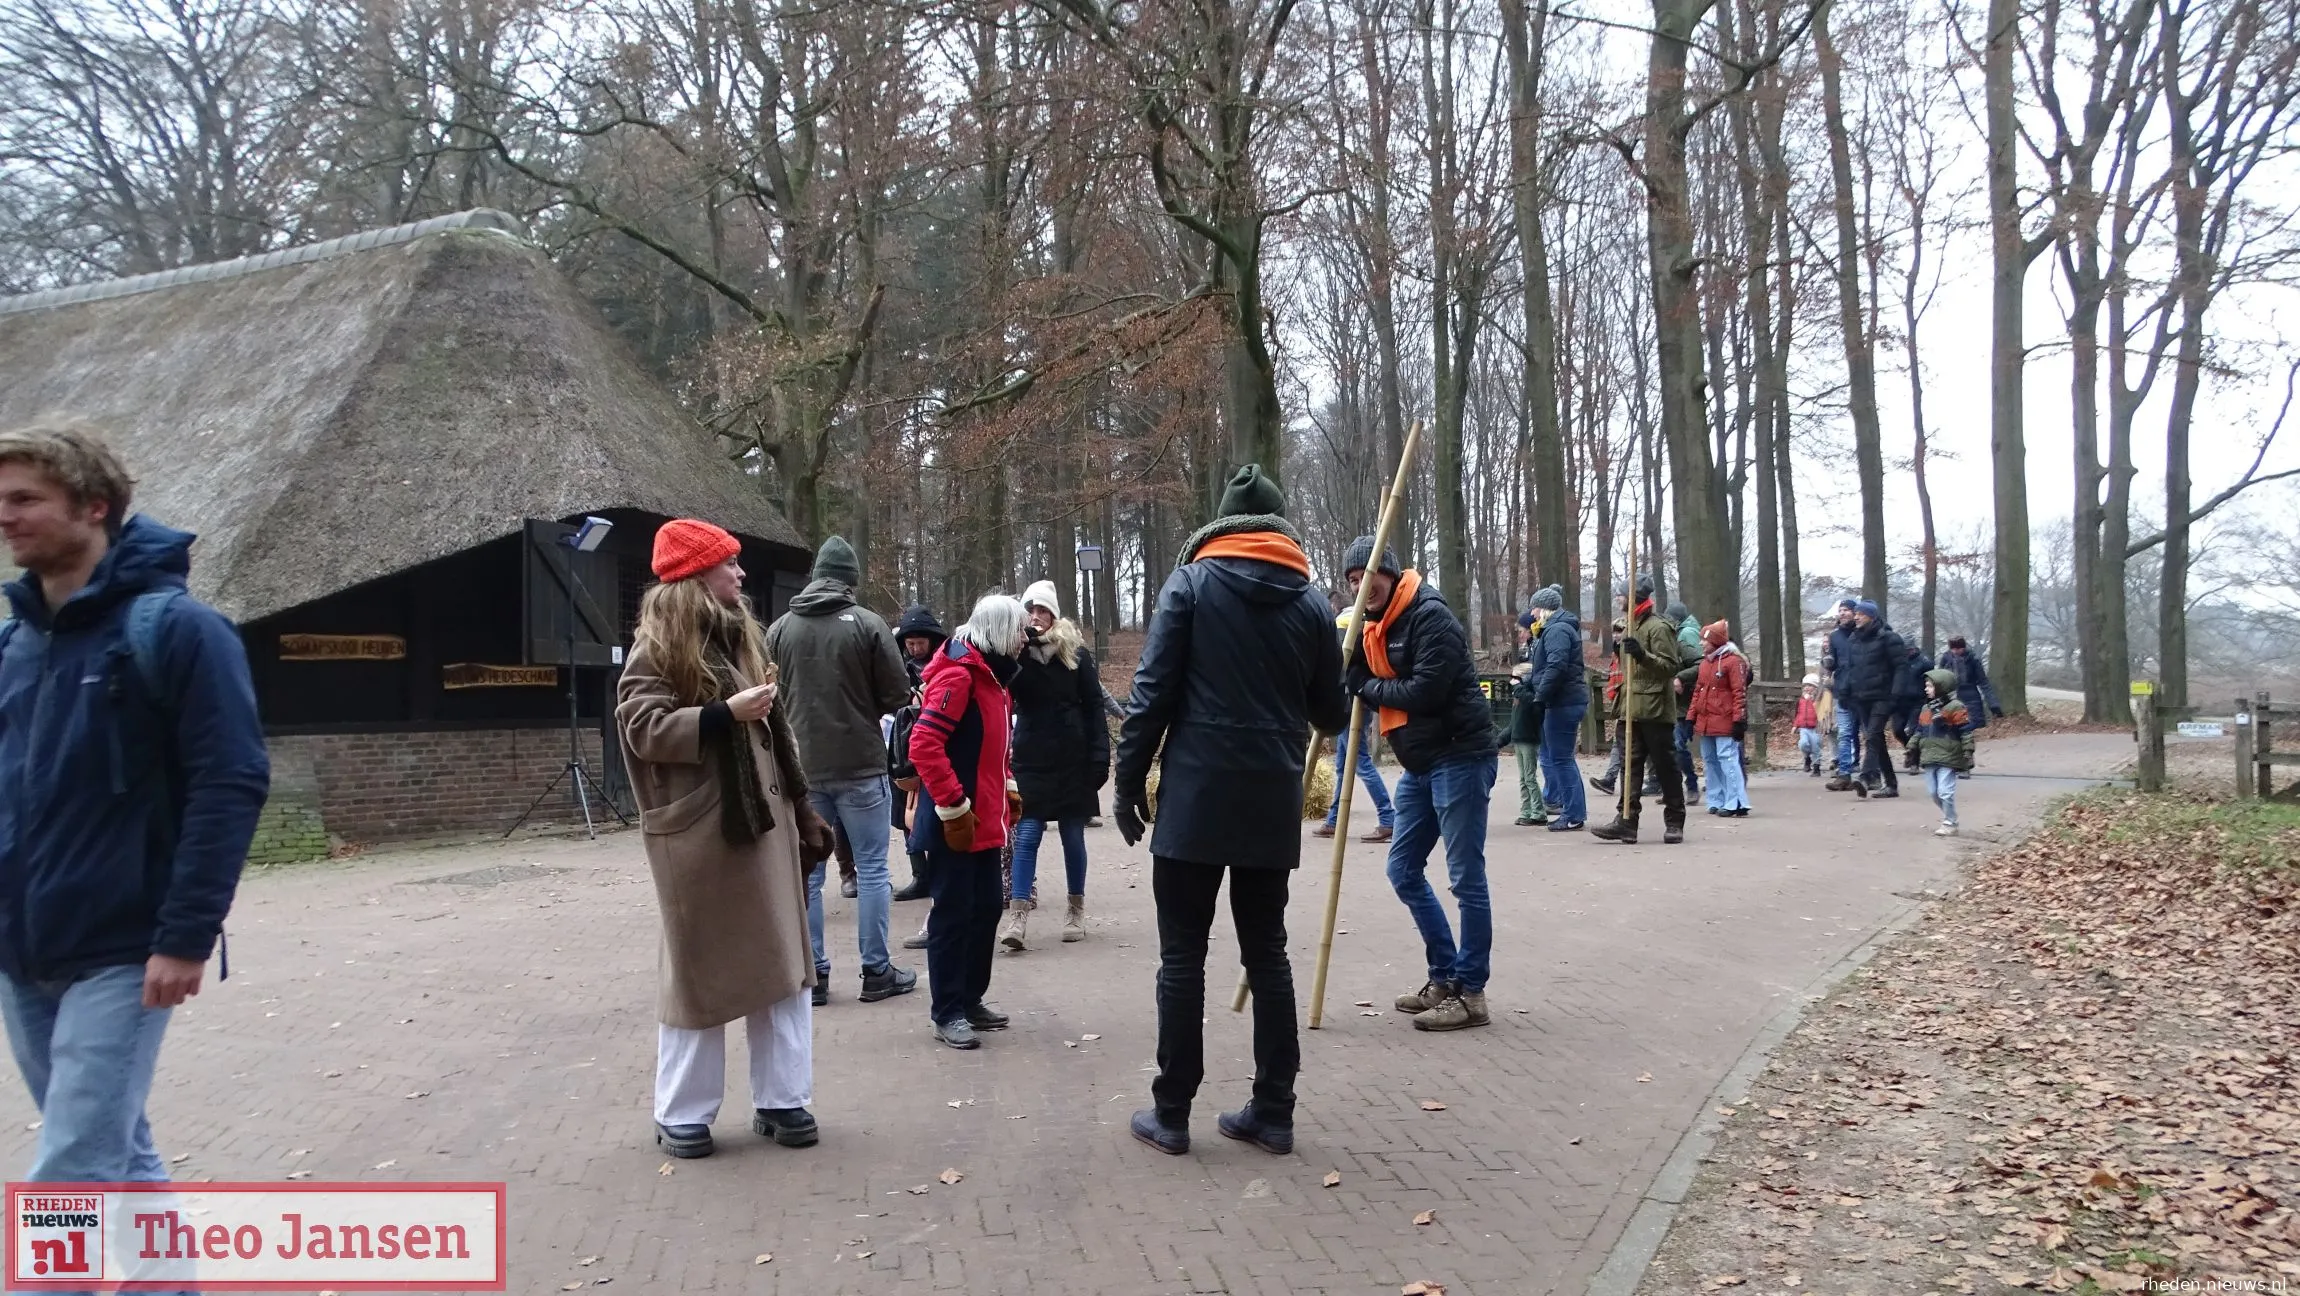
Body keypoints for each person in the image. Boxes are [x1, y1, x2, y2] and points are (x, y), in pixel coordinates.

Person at [0, 420, 270, 1224]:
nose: (5, 516)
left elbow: (230, 783)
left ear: (94, 506)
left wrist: (187, 934)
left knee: (75, 1165)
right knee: (112, 1143)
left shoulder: (181, 632)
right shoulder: (13, 645)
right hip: (24, 946)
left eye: (25, 499)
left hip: (124, 947)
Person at [1115, 465, 1347, 1156]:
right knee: (1267, 954)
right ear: (1277, 528)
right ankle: (1275, 1110)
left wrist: (1127, 782)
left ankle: (1173, 1112)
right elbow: (1331, 711)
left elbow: (1151, 694)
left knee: (1182, 957)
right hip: (1269, 798)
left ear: (1222, 522)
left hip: (1193, 798)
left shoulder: (1190, 584)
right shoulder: (1310, 603)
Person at [617, 519, 834, 1158]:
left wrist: (802, 806)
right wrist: (721, 715)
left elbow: (780, 733)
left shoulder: (744, 638)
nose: (741, 575)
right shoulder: (655, 649)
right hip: (702, 839)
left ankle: (784, 1101)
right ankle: (682, 1113)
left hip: (764, 834)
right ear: (694, 576)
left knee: (785, 972)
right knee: (699, 976)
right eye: (729, 564)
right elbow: (641, 727)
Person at [1342, 538, 1501, 1033]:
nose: (1360, 586)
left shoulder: (1430, 616)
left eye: (1367, 576)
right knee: (1403, 870)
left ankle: (1471, 992)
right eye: (1351, 580)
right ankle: (1444, 975)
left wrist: (1363, 685)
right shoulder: (1370, 629)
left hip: (1460, 755)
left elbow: (1423, 692)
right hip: (1419, 763)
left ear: (1389, 574)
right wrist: (1345, 674)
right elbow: (1360, 682)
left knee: (1464, 876)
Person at [765, 536, 918, 1005]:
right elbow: (897, 695)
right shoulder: (868, 625)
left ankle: (815, 977)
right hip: (861, 763)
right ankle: (876, 972)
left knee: (810, 873)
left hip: (801, 771)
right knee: (872, 869)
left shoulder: (778, 629)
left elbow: (764, 696)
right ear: (850, 581)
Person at [906, 593, 1027, 1050]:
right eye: (1017, 630)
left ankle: (970, 998)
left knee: (986, 911)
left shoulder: (995, 680)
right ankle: (947, 1010)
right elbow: (925, 746)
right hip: (956, 823)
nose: (1023, 639)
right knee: (954, 916)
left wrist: (1008, 786)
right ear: (997, 630)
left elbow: (995, 749)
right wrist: (954, 805)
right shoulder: (959, 678)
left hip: (986, 822)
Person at [1002, 581, 1110, 950]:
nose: (1036, 617)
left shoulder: (1075, 652)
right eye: (1030, 610)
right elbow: (1000, 684)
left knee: (1072, 835)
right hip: (1032, 755)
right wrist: (1018, 646)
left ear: (1054, 615)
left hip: (1071, 755)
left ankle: (1075, 908)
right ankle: (1017, 916)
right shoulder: (1016, 654)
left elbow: (1094, 705)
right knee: (1028, 834)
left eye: (1043, 611)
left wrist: (1100, 757)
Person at [1590, 576, 1686, 845]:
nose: (1617, 598)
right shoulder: (1628, 625)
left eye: (1621, 594)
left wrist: (1642, 654)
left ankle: (1675, 821)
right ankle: (1626, 822)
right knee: (1628, 768)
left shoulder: (1658, 628)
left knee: (1665, 768)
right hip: (1629, 708)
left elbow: (1669, 667)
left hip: (1655, 711)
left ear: (1634, 596)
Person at [1316, 605, 1398, 841]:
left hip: (1353, 701)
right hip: (1357, 699)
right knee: (1343, 765)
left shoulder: (1347, 621)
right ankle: (1333, 820)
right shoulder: (1356, 618)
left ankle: (1387, 818)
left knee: (1360, 762)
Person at [892, 604, 948, 935]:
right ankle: (919, 874)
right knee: (905, 810)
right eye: (909, 643)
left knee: (932, 811)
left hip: (932, 744)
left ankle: (937, 873)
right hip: (903, 746)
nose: (915, 648)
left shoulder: (944, 664)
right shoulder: (900, 668)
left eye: (919, 642)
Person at [1525, 585, 1589, 832]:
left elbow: (1556, 665)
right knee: (1561, 758)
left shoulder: (1557, 630)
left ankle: (1573, 813)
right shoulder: (1557, 628)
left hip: (1563, 701)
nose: (1532, 613)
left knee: (1561, 758)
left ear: (1545, 608)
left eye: (1535, 607)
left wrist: (1540, 695)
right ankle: (1572, 810)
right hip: (1564, 699)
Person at [1841, 600, 1910, 799]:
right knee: (1876, 740)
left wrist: (1896, 694)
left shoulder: (1889, 638)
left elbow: (1901, 667)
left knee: (1872, 735)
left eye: (1860, 614)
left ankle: (1865, 777)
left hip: (1884, 696)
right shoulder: (1854, 639)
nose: (1856, 617)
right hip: (1861, 697)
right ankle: (1891, 785)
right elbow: (1850, 668)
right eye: (1856, 614)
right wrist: (1845, 691)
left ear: (1871, 616)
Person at [1686, 620, 1751, 817]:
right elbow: (1698, 691)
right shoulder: (1706, 663)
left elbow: (1739, 692)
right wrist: (1691, 717)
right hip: (1706, 720)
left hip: (1725, 719)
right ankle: (1716, 799)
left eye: (1704, 641)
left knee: (1727, 759)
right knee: (1710, 760)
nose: (1701, 644)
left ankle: (1736, 800)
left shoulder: (1733, 662)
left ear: (1714, 641)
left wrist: (1739, 719)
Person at [1914, 669, 1976, 837]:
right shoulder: (1926, 708)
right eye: (1926, 686)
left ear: (1941, 687)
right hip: (1929, 755)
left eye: (1930, 686)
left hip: (1949, 755)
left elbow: (1965, 731)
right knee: (1934, 793)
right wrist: (1911, 748)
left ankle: (1950, 822)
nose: (1926, 689)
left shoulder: (1956, 707)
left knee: (1944, 792)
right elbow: (1920, 731)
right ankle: (1950, 817)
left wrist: (1968, 751)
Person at [1508, 611, 1548, 827]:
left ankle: (1537, 810)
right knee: (1524, 777)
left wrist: (1519, 686)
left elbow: (1533, 700)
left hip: (1529, 733)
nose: (1521, 635)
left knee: (1529, 776)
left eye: (1523, 631)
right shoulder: (1529, 649)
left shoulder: (1527, 693)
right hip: (1520, 733)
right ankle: (1527, 810)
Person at [1821, 599, 1864, 789]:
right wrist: (1828, 664)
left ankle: (1873, 773)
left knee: (1870, 733)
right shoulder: (1835, 636)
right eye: (1840, 610)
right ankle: (1844, 773)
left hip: (1865, 692)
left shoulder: (1865, 633)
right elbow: (1832, 662)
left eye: (1846, 610)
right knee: (1844, 734)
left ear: (1855, 613)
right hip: (1843, 691)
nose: (1843, 613)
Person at [1666, 601, 1703, 802]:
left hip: (1683, 702)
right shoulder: (1684, 632)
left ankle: (1691, 785)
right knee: (1671, 745)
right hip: (1678, 701)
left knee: (1678, 744)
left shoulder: (1686, 635)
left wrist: (1680, 677)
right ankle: (1673, 789)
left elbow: (1700, 663)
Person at [1589, 618, 1627, 796]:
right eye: (1615, 631)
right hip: (1622, 703)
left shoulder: (1627, 652)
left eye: (1620, 631)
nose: (1616, 635)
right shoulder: (1616, 652)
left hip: (1631, 701)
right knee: (1619, 743)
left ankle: (1659, 779)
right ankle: (1610, 779)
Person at [1940, 636, 2003, 738]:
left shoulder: (1973, 659)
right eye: (1953, 649)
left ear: (1963, 647)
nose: (1955, 651)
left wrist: (1993, 704)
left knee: (1977, 722)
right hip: (1951, 695)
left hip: (1970, 694)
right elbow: (1941, 679)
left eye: (1958, 649)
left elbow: (1983, 682)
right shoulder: (1946, 659)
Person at [1795, 673, 1825, 775]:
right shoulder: (1801, 700)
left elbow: (1822, 713)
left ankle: (1816, 767)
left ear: (1816, 687)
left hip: (1816, 727)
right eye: (1806, 686)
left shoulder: (1819, 700)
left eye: (1810, 685)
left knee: (1816, 747)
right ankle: (1807, 757)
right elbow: (1798, 713)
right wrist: (1795, 725)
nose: (1807, 688)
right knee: (1803, 744)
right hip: (1804, 728)